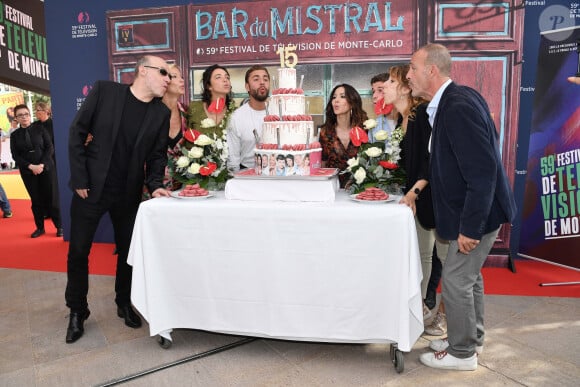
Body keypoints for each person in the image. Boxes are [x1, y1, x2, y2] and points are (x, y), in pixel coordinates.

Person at [407, 43, 517, 371]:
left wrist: (470, 227)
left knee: (455, 281)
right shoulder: (454, 100)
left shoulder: (456, 107)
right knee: (469, 278)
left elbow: (482, 172)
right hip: (472, 211)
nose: (408, 74)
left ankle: (462, 352)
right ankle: (471, 336)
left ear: (432, 71)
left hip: (477, 215)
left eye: (412, 67)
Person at [65, 55, 172, 344]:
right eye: (163, 72)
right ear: (142, 71)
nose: (168, 79)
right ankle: (77, 310)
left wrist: (154, 186)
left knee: (128, 252)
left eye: (170, 76)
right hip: (91, 188)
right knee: (78, 252)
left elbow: (157, 155)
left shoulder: (161, 113)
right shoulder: (105, 91)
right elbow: (77, 132)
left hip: (129, 192)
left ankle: (123, 302)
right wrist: (80, 178)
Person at [382, 65, 449, 326]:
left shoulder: (422, 115)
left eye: (390, 80)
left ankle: (446, 315)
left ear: (405, 88)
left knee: (446, 260)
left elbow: (429, 160)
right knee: (421, 257)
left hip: (434, 196)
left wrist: (413, 191)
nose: (384, 86)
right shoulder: (402, 119)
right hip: (417, 198)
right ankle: (419, 311)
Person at [10, 104, 63, 238]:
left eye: (26, 114)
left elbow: (50, 147)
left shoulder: (40, 128)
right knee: (36, 200)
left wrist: (41, 165)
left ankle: (60, 226)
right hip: (28, 172)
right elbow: (15, 155)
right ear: (16, 118)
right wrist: (30, 166)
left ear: (30, 114)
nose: (24, 117)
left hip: (46, 169)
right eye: (20, 115)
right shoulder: (15, 135)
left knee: (52, 198)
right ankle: (40, 228)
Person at [319, 84, 368, 188]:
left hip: (359, 190)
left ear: (352, 102)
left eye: (342, 96)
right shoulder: (325, 132)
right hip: (332, 189)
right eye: (334, 97)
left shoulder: (363, 129)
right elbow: (322, 164)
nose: (336, 100)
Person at [227, 65, 270, 173]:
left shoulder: (280, 113)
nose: (262, 82)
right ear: (247, 87)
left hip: (278, 173)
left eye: (265, 79)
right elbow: (233, 157)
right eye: (256, 79)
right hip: (246, 173)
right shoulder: (236, 117)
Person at [188, 64, 235, 138]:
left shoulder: (234, 112)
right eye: (218, 77)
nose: (225, 80)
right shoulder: (194, 108)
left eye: (227, 77)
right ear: (209, 86)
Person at [34, 102, 59, 219]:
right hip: (38, 161)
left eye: (39, 110)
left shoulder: (54, 124)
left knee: (52, 186)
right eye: (36, 110)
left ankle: (53, 210)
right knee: (41, 186)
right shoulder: (34, 126)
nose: (36, 112)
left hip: (52, 159)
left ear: (46, 111)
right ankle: (45, 211)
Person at [369, 72, 397, 141]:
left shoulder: (407, 120)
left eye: (380, 90)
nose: (374, 96)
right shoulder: (373, 126)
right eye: (373, 92)